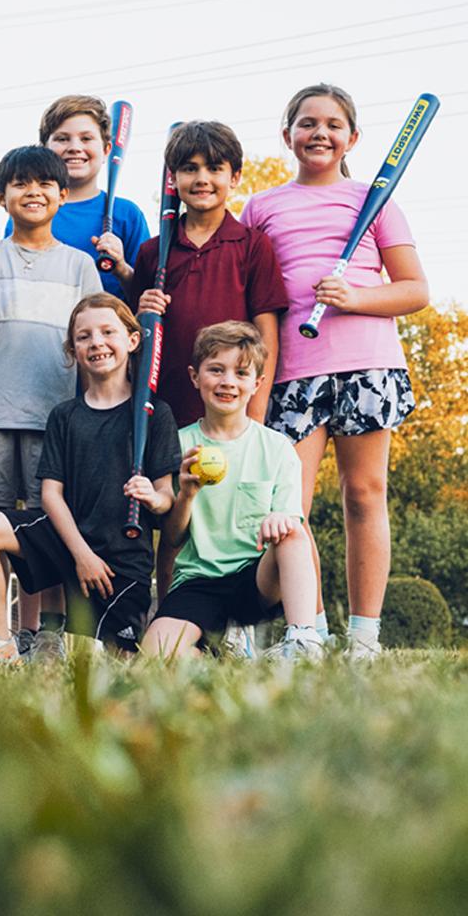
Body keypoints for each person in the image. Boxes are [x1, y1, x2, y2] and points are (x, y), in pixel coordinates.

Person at [241, 83, 429, 659]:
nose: (319, 133)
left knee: (364, 496)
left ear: (352, 137)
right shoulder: (262, 206)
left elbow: (415, 290)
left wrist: (352, 297)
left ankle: (365, 638)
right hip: (295, 372)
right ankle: (310, 629)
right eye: (306, 123)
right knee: (289, 504)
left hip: (366, 365)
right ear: (287, 135)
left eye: (331, 124)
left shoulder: (373, 200)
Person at [0, 146, 101, 661]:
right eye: (21, 183)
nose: (33, 191)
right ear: (1, 197)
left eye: (45, 183)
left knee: (49, 526)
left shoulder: (79, 265)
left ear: (62, 194)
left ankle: (47, 631)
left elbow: (98, 337)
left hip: (55, 417)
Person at [0, 293, 180, 654]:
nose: (97, 342)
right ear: (72, 350)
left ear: (132, 339)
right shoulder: (65, 416)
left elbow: (166, 498)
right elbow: (51, 494)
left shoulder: (154, 413)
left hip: (122, 558)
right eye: (84, 336)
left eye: (107, 332)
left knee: (115, 661)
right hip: (68, 542)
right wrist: (81, 554)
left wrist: (152, 496)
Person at [141, 321, 323, 660]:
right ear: (196, 377)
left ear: (257, 383)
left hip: (256, 579)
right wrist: (188, 495)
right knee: (155, 654)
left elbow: (290, 520)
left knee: (295, 535)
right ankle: (217, 664)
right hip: (198, 580)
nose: (228, 382)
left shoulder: (277, 448)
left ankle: (302, 640)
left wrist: (279, 521)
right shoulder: (177, 444)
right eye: (216, 370)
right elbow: (172, 539)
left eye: (241, 373)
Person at [133, 120, 287, 429]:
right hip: (165, 411)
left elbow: (266, 334)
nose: (202, 178)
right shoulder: (152, 252)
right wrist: (141, 312)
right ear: (173, 180)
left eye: (215, 168)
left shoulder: (252, 245)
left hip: (232, 411)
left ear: (235, 178)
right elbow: (135, 336)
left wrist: (255, 413)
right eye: (190, 168)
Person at [7, 95, 150, 301]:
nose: (75, 147)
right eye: (62, 139)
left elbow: (146, 297)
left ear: (107, 149)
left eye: (86, 138)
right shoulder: (29, 209)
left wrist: (121, 268)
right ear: (44, 150)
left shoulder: (126, 214)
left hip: (104, 330)